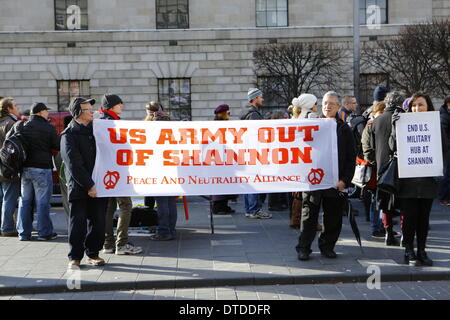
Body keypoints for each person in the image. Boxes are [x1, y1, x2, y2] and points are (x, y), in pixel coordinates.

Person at [296, 91, 356, 261]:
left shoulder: (344, 129)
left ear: (338, 107)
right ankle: (304, 248)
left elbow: (351, 158)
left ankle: (327, 246)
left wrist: (345, 180)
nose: (328, 106)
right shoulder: (313, 126)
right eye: (325, 103)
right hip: (314, 180)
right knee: (308, 215)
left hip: (335, 182)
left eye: (331, 104)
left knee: (333, 217)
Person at [396, 93, 446, 266]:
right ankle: (409, 250)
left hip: (427, 181)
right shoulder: (401, 124)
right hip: (408, 182)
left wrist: (440, 171)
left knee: (423, 219)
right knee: (409, 218)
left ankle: (422, 250)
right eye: (414, 105)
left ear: (428, 106)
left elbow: (444, 150)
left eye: (421, 105)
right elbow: (391, 147)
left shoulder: (436, 125)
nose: (417, 108)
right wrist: (395, 127)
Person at [61, 97, 108, 268]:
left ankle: (93, 253)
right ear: (78, 113)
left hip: (100, 185)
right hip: (80, 187)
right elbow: (74, 164)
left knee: (98, 222)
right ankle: (75, 257)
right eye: (88, 109)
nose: (92, 112)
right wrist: (89, 185)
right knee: (78, 223)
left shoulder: (97, 131)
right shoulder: (69, 135)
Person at [100, 94, 142, 255]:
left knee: (108, 207)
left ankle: (108, 244)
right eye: (119, 104)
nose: (122, 105)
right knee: (125, 205)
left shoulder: (99, 123)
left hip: (105, 172)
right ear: (111, 107)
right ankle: (122, 244)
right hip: (118, 171)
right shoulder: (114, 123)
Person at [366, 91, 407, 246]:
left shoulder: (376, 121)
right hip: (403, 168)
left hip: (382, 169)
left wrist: (375, 162)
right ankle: (404, 235)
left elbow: (369, 147)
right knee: (404, 203)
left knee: (385, 204)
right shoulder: (405, 118)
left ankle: (388, 233)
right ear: (401, 103)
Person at [16, 102, 60, 241]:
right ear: (40, 112)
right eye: (46, 111)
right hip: (42, 168)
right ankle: (44, 233)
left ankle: (23, 233)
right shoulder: (48, 127)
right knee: (42, 202)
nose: (48, 113)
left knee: (25, 201)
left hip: (25, 168)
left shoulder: (23, 126)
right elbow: (57, 145)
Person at [240, 88, 271, 219]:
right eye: (260, 97)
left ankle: (249, 209)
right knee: (254, 181)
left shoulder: (246, 114)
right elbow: (257, 136)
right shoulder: (254, 115)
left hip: (247, 153)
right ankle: (254, 210)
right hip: (254, 154)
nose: (262, 99)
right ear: (255, 98)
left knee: (249, 181)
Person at [150, 109, 178, 241]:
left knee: (162, 203)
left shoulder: (155, 138)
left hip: (159, 172)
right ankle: (171, 229)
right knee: (171, 202)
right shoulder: (173, 135)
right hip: (173, 172)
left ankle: (163, 231)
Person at [361, 101, 386, 238]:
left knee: (381, 199)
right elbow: (367, 149)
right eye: (380, 113)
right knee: (374, 199)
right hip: (374, 169)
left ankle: (381, 226)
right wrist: (377, 162)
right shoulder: (370, 126)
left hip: (380, 167)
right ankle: (376, 227)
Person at [0, 97, 21, 237]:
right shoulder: (11, 123)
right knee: (9, 198)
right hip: (8, 167)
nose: (18, 107)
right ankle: (7, 228)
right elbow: (15, 148)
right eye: (15, 105)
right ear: (9, 109)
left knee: (3, 198)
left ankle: (4, 226)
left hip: (1, 167)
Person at [211, 104, 235, 215]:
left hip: (225, 156)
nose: (229, 115)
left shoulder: (224, 125)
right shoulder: (217, 126)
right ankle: (218, 207)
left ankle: (224, 206)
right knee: (219, 183)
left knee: (225, 182)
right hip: (218, 158)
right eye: (228, 113)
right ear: (222, 114)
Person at [439, 95, 450, 205]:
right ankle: (445, 198)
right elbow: (445, 136)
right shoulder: (444, 117)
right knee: (446, 175)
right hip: (447, 150)